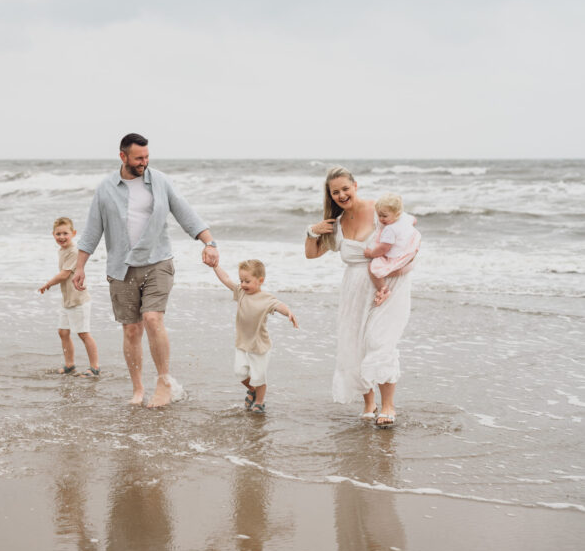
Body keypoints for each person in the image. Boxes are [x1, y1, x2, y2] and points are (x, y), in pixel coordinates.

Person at [72, 133, 219, 407]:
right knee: (131, 331)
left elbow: (186, 213)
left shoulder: (160, 181)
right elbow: (93, 230)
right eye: (139, 158)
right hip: (122, 268)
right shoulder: (105, 188)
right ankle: (138, 389)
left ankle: (163, 382)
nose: (144, 162)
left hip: (158, 262)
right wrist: (79, 266)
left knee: (153, 319)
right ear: (123, 156)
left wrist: (209, 242)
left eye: (147, 157)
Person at [304, 167, 418, 427]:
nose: (342, 195)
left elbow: (411, 237)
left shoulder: (379, 211)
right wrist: (312, 231)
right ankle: (369, 404)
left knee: (380, 342)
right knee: (354, 345)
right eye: (336, 192)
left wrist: (397, 270)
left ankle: (388, 405)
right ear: (330, 196)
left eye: (345, 188)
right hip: (354, 290)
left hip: (387, 285)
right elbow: (311, 254)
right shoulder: (337, 224)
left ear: (356, 186)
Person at [211, 259, 298, 414]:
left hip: (259, 345)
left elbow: (279, 306)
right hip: (242, 343)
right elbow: (226, 279)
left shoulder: (266, 298)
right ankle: (252, 390)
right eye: (241, 280)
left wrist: (289, 313)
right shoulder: (241, 292)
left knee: (259, 377)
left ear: (260, 281)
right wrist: (215, 266)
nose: (243, 284)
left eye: (247, 281)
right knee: (240, 372)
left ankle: (259, 401)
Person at [39, 217, 100, 377]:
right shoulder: (62, 250)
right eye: (58, 234)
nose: (61, 237)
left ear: (73, 233)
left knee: (83, 333)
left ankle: (94, 367)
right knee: (63, 332)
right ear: (53, 235)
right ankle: (70, 365)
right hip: (67, 301)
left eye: (65, 233)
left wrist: (48, 284)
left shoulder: (74, 251)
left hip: (79, 300)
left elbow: (64, 274)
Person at [364, 193, 421, 306]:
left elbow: (384, 248)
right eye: (379, 215)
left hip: (397, 256)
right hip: (410, 248)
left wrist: (371, 253)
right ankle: (405, 268)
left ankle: (383, 289)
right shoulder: (404, 217)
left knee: (373, 268)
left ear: (396, 213)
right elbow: (414, 220)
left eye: (384, 216)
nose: (381, 219)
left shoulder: (389, 230)